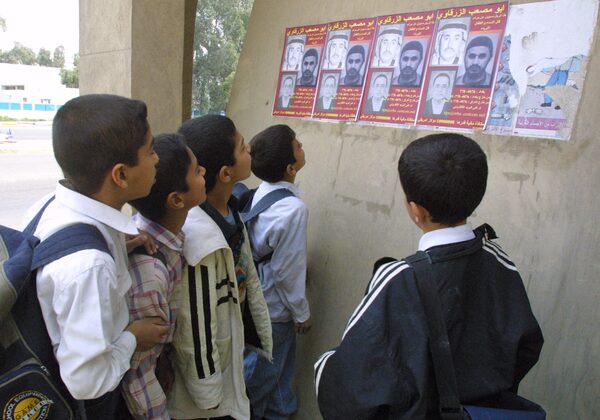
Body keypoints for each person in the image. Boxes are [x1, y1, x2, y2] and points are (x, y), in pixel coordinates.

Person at [314, 133, 544, 419]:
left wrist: (327, 362)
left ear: (416, 210)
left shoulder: (397, 279)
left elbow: (352, 387)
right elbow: (527, 345)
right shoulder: (498, 260)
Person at [28, 94, 168, 418]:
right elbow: (87, 381)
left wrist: (120, 244)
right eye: (150, 151)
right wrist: (133, 336)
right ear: (121, 175)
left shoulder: (52, 206)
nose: (157, 159)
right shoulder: (89, 265)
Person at [169, 115, 272, 420]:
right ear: (226, 173)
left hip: (227, 350)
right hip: (204, 394)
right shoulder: (199, 241)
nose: (250, 148)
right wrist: (209, 394)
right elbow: (195, 327)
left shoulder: (230, 212)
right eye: (242, 146)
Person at [122, 133, 206, 419]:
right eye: (197, 171)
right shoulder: (150, 272)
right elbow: (138, 372)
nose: (203, 171)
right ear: (177, 200)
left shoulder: (162, 236)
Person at [244, 124, 311, 420]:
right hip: (274, 308)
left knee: (279, 375)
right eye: (297, 145)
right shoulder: (293, 209)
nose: (301, 145)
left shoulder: (262, 192)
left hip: (256, 295)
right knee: (260, 379)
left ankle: (282, 413)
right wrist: (301, 312)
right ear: (290, 168)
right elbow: (287, 269)